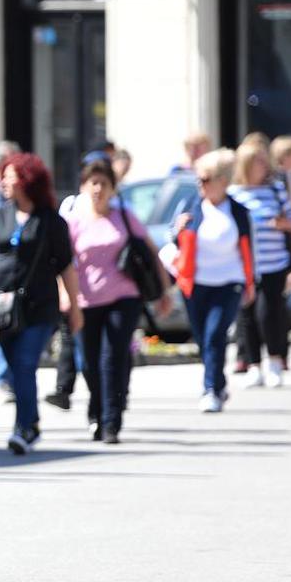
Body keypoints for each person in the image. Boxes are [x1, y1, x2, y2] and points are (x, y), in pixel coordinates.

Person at [65, 160, 170, 444]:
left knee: (112, 358)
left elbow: (150, 250)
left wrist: (164, 291)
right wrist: (65, 296)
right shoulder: (75, 222)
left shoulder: (124, 216)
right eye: (93, 183)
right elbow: (64, 265)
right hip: (86, 299)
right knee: (88, 362)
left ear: (113, 188)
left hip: (124, 296)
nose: (98, 189)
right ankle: (96, 410)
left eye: (104, 183)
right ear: (83, 187)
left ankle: (111, 422)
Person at [0, 153, 81, 454]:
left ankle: (23, 428)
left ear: (27, 180)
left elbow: (66, 266)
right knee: (14, 369)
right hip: (2, 308)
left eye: (10, 176)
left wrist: (74, 307)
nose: (3, 182)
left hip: (39, 307)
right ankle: (33, 421)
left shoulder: (51, 221)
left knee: (26, 364)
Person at [172, 149, 256, 411]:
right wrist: (178, 230)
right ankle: (219, 384)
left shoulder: (239, 212)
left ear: (222, 180)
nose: (201, 185)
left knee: (214, 335)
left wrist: (251, 283)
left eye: (206, 179)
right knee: (203, 338)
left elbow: (250, 249)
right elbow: (175, 241)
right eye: (199, 179)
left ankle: (209, 389)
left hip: (229, 282)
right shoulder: (191, 206)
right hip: (195, 282)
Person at [230, 141, 291, 387]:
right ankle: (253, 364)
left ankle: (275, 361)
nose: (263, 165)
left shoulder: (275, 190)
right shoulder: (234, 193)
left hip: (274, 262)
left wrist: (277, 223)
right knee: (247, 315)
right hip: (244, 264)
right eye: (257, 161)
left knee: (269, 312)